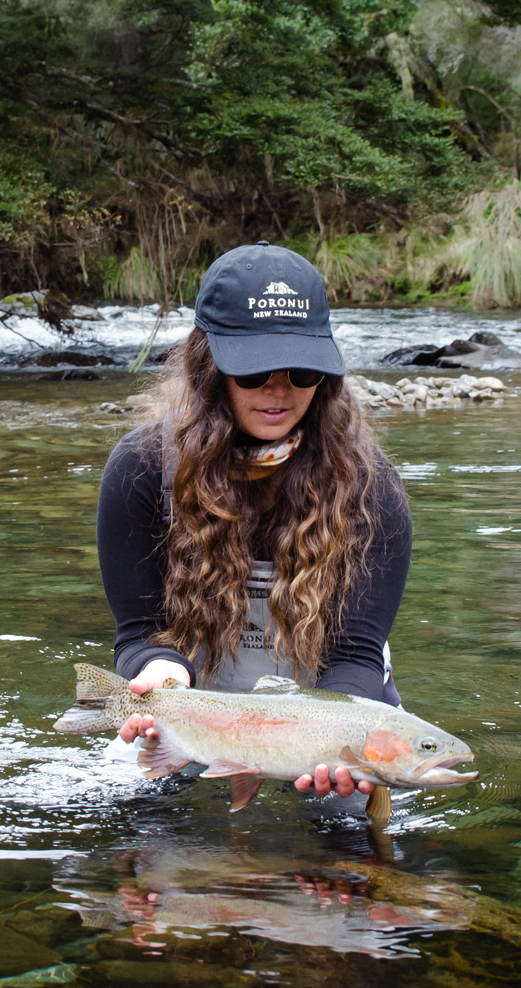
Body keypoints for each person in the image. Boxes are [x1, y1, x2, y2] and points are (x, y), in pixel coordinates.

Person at [95, 242, 413, 800]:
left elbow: (357, 655)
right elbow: (139, 634)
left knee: (361, 873)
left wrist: (334, 743)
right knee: (135, 842)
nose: (279, 389)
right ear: (208, 364)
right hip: (193, 711)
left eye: (302, 371)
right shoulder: (141, 470)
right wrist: (160, 676)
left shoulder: (371, 485)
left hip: (335, 707)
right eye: (254, 371)